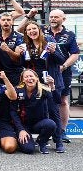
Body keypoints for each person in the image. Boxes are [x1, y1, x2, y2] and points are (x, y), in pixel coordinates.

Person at [20, 20, 66, 152]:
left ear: (39, 30)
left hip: (50, 82)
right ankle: (42, 141)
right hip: (35, 84)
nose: (31, 32)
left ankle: (58, 142)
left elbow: (61, 60)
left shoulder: (49, 43)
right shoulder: (27, 46)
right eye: (29, 30)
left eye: (34, 29)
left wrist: (54, 52)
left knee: (53, 111)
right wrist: (22, 55)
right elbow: (24, 64)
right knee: (39, 111)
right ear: (26, 33)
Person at [44, 9, 79, 144]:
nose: (53, 19)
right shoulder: (43, 31)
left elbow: (75, 54)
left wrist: (63, 66)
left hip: (63, 72)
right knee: (45, 101)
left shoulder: (69, 34)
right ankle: (47, 130)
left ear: (63, 19)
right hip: (45, 72)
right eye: (51, 17)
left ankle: (62, 131)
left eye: (56, 17)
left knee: (62, 101)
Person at [11, 69, 59, 154]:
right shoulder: (17, 90)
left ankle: (41, 141)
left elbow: (57, 101)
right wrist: (21, 129)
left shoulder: (43, 89)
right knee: (29, 149)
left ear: (37, 78)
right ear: (23, 80)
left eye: (31, 76)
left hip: (38, 124)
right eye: (26, 77)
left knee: (51, 124)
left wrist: (52, 86)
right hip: (23, 125)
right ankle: (20, 138)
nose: (29, 78)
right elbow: (13, 112)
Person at [0, 12, 24, 85]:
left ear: (12, 21)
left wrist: (8, 50)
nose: (6, 22)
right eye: (3, 20)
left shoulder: (19, 37)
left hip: (15, 73)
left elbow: (17, 58)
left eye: (8, 20)